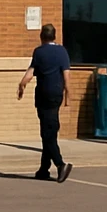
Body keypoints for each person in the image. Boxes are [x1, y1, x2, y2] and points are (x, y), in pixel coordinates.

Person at [18, 23, 73, 183]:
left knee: (47, 133)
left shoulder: (39, 52)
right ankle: (44, 169)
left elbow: (30, 73)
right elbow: (66, 75)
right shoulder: (62, 51)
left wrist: (21, 85)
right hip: (57, 94)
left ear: (42, 36)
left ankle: (60, 164)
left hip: (43, 96)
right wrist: (68, 95)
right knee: (50, 130)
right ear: (54, 36)